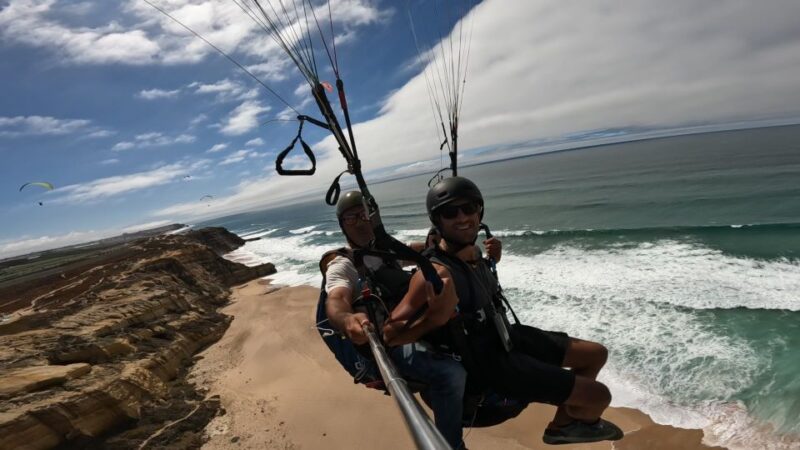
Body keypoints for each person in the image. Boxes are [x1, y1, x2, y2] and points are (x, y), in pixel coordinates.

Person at [383, 177, 624, 445]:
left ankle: (563, 426)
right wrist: (433, 319)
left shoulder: (473, 253)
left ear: (480, 211)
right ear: (437, 221)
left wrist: (491, 261)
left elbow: (477, 288)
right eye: (450, 212)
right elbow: (390, 335)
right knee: (599, 396)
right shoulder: (436, 273)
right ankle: (578, 424)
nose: (462, 217)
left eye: (469, 208)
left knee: (595, 354)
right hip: (491, 361)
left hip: (507, 335)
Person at [320, 190, 468, 448]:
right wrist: (346, 320)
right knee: (449, 373)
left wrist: (453, 244)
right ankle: (452, 445)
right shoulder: (343, 265)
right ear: (343, 225)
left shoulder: (383, 250)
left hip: (411, 323)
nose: (362, 221)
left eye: (366, 214)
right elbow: (336, 299)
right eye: (353, 217)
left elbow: (414, 251)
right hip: (393, 342)